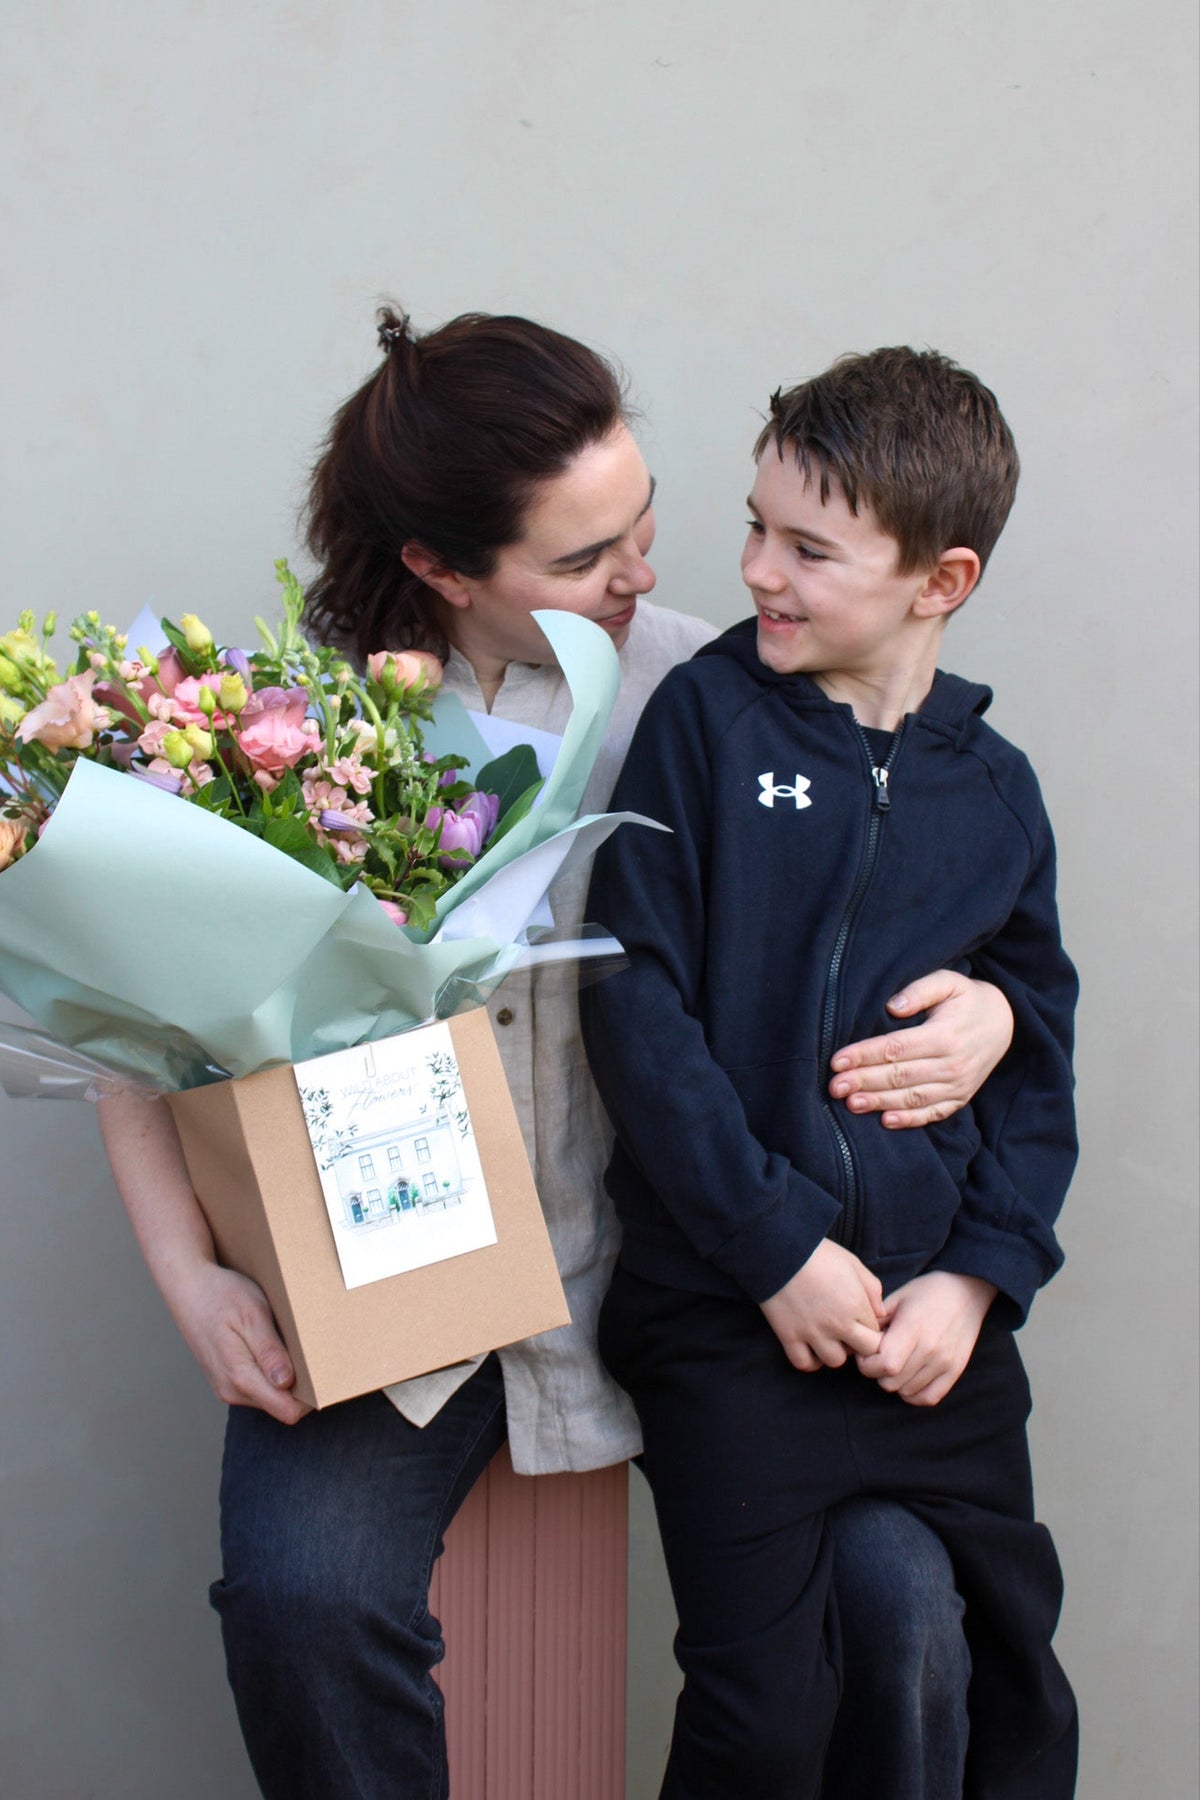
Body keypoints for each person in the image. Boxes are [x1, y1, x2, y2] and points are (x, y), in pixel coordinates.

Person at [97, 313, 1016, 1800]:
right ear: (445, 570)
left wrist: (998, 1012)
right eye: (587, 562)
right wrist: (189, 1275)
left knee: (897, 1606)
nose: (647, 577)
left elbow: (918, 884)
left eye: (644, 528)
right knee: (302, 1598)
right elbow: (131, 1011)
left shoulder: (732, 696)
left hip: (701, 1270)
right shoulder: (278, 731)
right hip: (402, 1303)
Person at [582, 346, 1080, 1799]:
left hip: (935, 1332)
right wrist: (772, 1246)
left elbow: (1038, 1058)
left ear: (942, 581)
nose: (757, 573)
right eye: (753, 528)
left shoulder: (996, 796)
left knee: (1010, 1691)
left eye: (808, 547)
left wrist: (979, 1282)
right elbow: (636, 1000)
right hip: (736, 1322)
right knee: (766, 1717)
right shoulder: (709, 725)